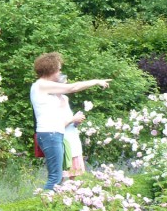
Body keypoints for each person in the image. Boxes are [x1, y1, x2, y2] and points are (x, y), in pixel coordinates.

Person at [30, 53, 110, 191]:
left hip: (53, 133)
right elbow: (72, 88)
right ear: (51, 70)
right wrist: (96, 81)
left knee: (58, 176)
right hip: (50, 134)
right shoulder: (42, 85)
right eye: (59, 69)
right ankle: (43, 207)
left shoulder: (45, 86)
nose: (60, 72)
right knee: (55, 177)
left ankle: (51, 206)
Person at [56, 73, 86, 180]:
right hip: (62, 140)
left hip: (72, 138)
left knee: (73, 176)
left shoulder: (65, 98)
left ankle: (72, 195)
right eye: (64, 84)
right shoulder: (52, 102)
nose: (66, 86)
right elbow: (56, 125)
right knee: (61, 176)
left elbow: (69, 121)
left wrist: (76, 121)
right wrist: (73, 119)